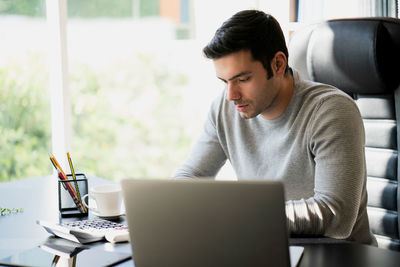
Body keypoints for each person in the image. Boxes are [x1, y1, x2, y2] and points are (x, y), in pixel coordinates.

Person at [173, 10, 376, 245]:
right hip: (266, 248)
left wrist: (237, 216)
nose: (231, 95)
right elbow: (190, 176)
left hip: (336, 257)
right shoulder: (226, 106)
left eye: (243, 79)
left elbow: (335, 216)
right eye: (224, 81)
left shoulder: (330, 110)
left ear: (278, 64)